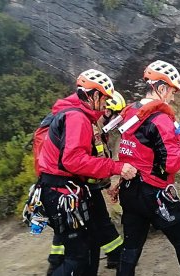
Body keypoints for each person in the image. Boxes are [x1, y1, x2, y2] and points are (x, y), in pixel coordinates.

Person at [38, 69, 137, 276]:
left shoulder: (73, 114)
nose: (105, 105)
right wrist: (117, 167)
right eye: (104, 98)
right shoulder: (77, 118)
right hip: (61, 192)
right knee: (77, 258)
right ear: (93, 95)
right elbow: (74, 160)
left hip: (63, 189)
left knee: (89, 247)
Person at [113, 60, 180, 276]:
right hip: (155, 194)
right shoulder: (161, 119)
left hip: (129, 189)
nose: (173, 97)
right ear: (161, 88)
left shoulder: (131, 112)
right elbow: (172, 163)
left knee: (131, 247)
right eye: (172, 91)